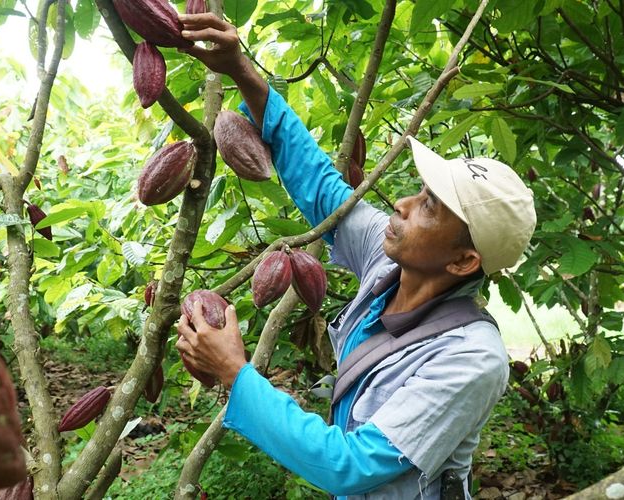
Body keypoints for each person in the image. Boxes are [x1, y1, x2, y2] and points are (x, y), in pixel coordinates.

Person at [174, 13, 536, 500]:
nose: (402, 204)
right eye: (417, 192)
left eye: (428, 206)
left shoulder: (472, 358)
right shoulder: (389, 267)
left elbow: (348, 464)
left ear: (463, 261)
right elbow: (326, 192)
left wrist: (234, 372)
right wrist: (241, 69)